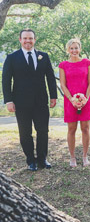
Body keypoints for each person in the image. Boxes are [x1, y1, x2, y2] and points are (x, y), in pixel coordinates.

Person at [2, 28, 57, 171]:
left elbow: (50, 78)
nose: (28, 41)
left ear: (35, 40)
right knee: (25, 132)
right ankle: (30, 160)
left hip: (40, 101)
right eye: (25, 38)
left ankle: (42, 159)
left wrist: (53, 96)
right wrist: (8, 100)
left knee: (43, 131)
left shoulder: (43, 56)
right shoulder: (12, 58)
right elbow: (6, 80)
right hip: (20, 102)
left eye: (30, 38)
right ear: (20, 40)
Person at [59, 38, 90, 167]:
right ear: (68, 50)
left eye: (76, 48)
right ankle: (72, 157)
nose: (74, 50)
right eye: (71, 48)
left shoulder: (87, 63)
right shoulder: (63, 65)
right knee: (71, 129)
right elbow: (63, 85)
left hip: (86, 100)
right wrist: (72, 99)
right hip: (70, 101)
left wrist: (85, 99)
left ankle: (85, 156)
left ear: (80, 49)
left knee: (85, 128)